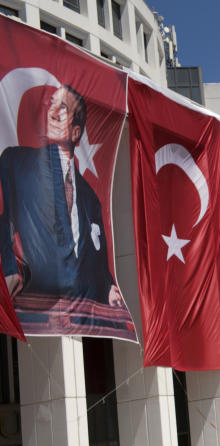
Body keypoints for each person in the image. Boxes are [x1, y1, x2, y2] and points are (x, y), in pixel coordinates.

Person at [0, 85, 122, 306]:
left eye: (62, 107)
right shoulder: (16, 162)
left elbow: (98, 259)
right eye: (51, 103)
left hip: (77, 308)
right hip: (32, 299)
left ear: (76, 132)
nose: (52, 112)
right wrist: (8, 268)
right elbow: (4, 219)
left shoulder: (90, 198)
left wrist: (108, 288)